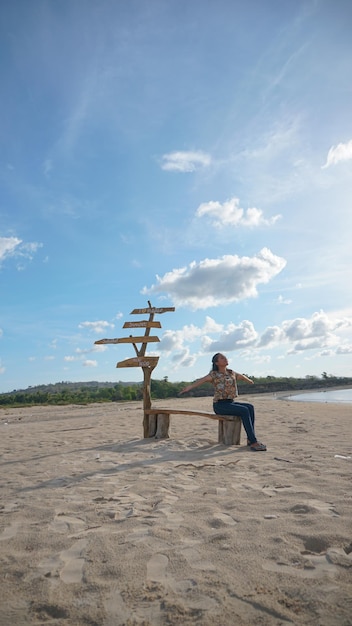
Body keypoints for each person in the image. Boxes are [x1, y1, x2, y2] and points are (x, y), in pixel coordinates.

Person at [179, 353, 267, 451]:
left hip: (230, 402)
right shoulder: (214, 374)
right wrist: (188, 388)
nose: (225, 359)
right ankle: (254, 442)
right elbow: (201, 381)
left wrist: (249, 380)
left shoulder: (231, 372)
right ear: (217, 363)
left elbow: (241, 376)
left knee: (250, 407)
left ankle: (250, 439)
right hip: (220, 405)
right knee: (244, 410)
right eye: (222, 358)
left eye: (225, 357)